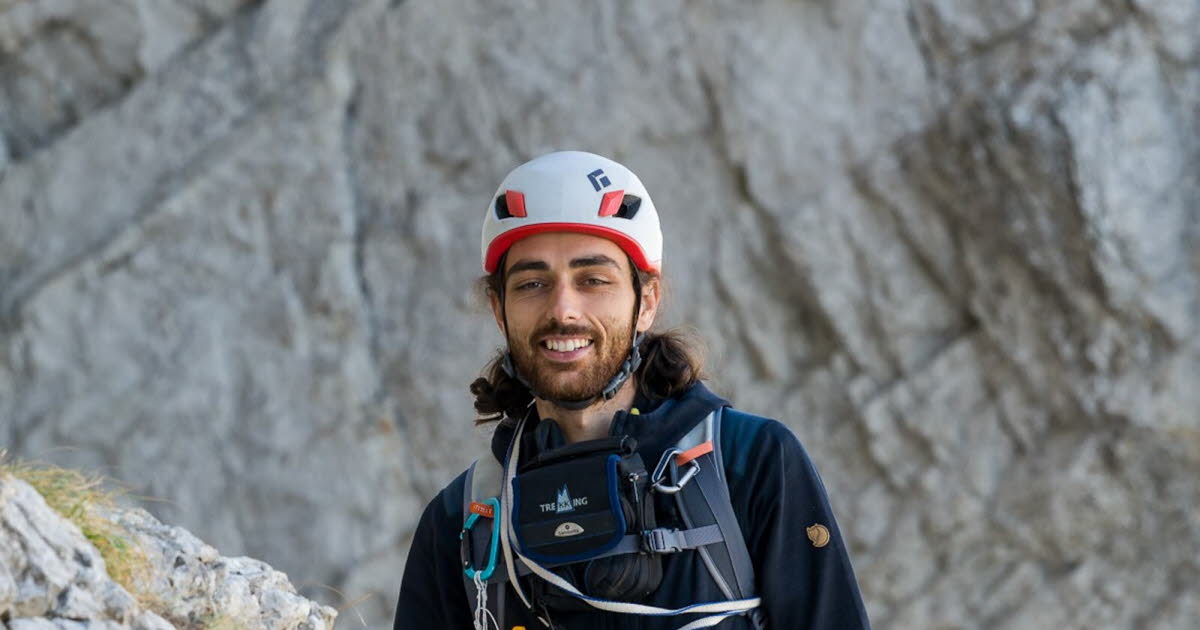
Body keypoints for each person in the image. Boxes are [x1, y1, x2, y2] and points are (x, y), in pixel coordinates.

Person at [394, 151, 871, 629]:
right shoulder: (462, 518)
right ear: (499, 309)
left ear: (647, 303)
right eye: (533, 283)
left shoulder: (751, 462)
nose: (564, 310)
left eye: (593, 280)